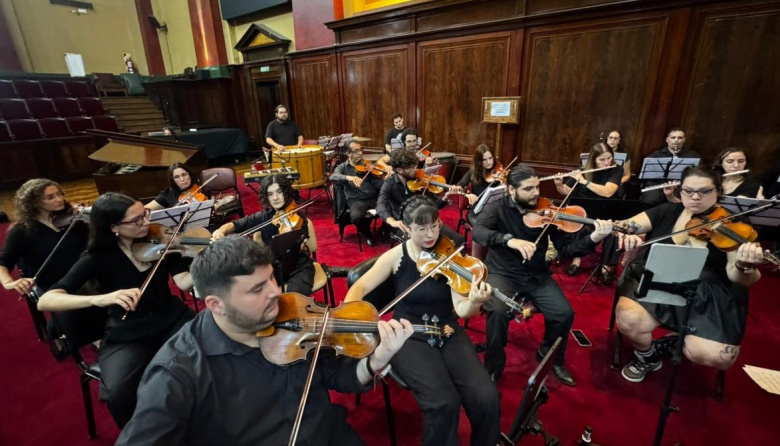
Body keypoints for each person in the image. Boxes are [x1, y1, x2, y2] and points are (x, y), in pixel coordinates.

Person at [116, 236, 414, 445]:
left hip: (329, 435)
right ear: (215, 304)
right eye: (257, 288)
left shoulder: (290, 314)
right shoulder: (178, 371)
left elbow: (336, 374)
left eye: (272, 277)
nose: (275, 291)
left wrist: (377, 359)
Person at [345, 195, 500, 446]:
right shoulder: (396, 256)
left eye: (434, 226)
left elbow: (462, 310)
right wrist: (350, 314)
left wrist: (474, 302)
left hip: (448, 330)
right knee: (443, 402)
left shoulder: (449, 253)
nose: (430, 235)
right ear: (406, 228)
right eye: (421, 229)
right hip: (408, 335)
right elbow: (360, 286)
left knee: (487, 396)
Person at [37, 192, 195, 427]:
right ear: (113, 228)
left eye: (145, 214)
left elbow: (183, 282)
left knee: (207, 359)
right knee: (118, 392)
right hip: (129, 333)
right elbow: (46, 300)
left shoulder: (161, 241)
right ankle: (145, 436)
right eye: (136, 220)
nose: (146, 222)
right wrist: (101, 299)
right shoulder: (97, 258)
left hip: (173, 319)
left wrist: (204, 259)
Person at [614, 166, 765, 382]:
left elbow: (739, 277)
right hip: (662, 279)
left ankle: (675, 339)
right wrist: (627, 233)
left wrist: (744, 266)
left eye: (704, 191)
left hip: (710, 292)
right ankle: (647, 356)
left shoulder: (734, 224)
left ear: (718, 192)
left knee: (715, 357)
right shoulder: (669, 210)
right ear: (680, 191)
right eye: (688, 191)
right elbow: (626, 225)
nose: (695, 197)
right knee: (629, 320)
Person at [472, 165, 613, 386]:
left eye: (537, 187)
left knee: (564, 313)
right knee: (498, 311)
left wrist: (594, 237)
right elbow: (478, 231)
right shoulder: (498, 207)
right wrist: (509, 240)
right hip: (503, 272)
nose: (536, 193)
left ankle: (550, 357)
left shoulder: (548, 210)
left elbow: (567, 250)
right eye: (528, 189)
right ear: (511, 190)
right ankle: (493, 365)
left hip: (536, 275)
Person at [211, 175, 315, 296]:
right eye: (270, 194)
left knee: (295, 298)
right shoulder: (264, 216)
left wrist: (292, 240)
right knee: (255, 295)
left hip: (298, 267)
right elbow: (238, 224)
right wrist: (221, 230)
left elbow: (302, 245)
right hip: (272, 268)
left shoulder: (298, 217)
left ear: (286, 193)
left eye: (279, 192)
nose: (275, 198)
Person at [1, 179, 88, 299]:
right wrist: (8, 283)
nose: (59, 199)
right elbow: (3, 262)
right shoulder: (22, 231)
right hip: (55, 288)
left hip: (87, 277)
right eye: (50, 197)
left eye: (59, 194)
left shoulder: (74, 219)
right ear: (34, 202)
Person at [554, 142, 623, 281]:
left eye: (609, 158)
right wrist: (559, 184)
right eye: (602, 159)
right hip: (585, 210)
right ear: (593, 160)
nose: (606, 162)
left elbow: (608, 192)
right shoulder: (583, 171)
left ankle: (606, 265)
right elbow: (566, 192)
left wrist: (584, 182)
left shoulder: (616, 170)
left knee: (612, 229)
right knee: (575, 220)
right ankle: (576, 260)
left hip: (606, 211)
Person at [376, 148, 461, 235]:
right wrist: (392, 221)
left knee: (458, 240)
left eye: (415, 166)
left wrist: (445, 197)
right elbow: (381, 205)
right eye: (410, 168)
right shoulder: (390, 183)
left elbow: (434, 203)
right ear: (399, 170)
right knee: (427, 244)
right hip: (405, 223)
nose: (415, 170)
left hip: (424, 219)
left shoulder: (419, 180)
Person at [330, 138, 384, 246]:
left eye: (360, 150)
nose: (360, 153)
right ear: (348, 153)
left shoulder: (367, 165)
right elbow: (333, 176)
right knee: (356, 217)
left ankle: (383, 231)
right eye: (356, 151)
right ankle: (367, 233)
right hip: (357, 200)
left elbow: (378, 184)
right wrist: (348, 177)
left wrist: (383, 178)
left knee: (394, 206)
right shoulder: (342, 167)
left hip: (373, 197)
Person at [640, 128, 700, 205]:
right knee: (651, 199)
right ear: (667, 140)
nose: (676, 140)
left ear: (684, 140)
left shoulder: (693, 156)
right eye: (673, 137)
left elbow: (698, 174)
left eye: (680, 138)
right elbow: (646, 176)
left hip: (680, 187)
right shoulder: (655, 155)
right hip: (658, 186)